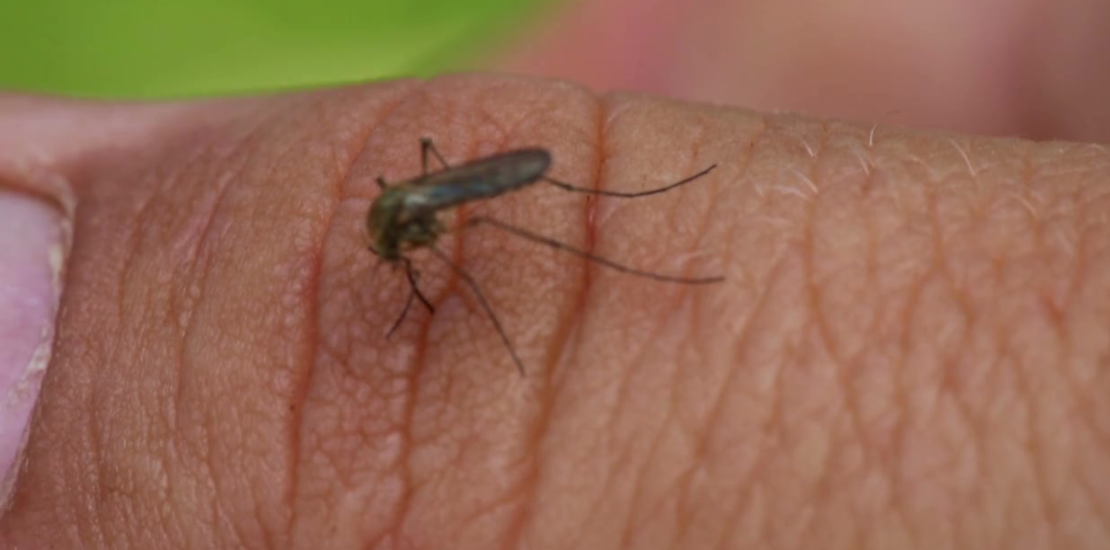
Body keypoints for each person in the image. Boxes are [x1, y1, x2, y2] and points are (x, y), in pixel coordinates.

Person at [1, 1, 1108, 547]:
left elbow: (416, 222)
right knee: (478, 247)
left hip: (489, 176)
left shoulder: (409, 220)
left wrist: (427, 275)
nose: (395, 265)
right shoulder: (393, 226)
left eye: (394, 252)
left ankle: (620, 228)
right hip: (455, 168)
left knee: (523, 246)